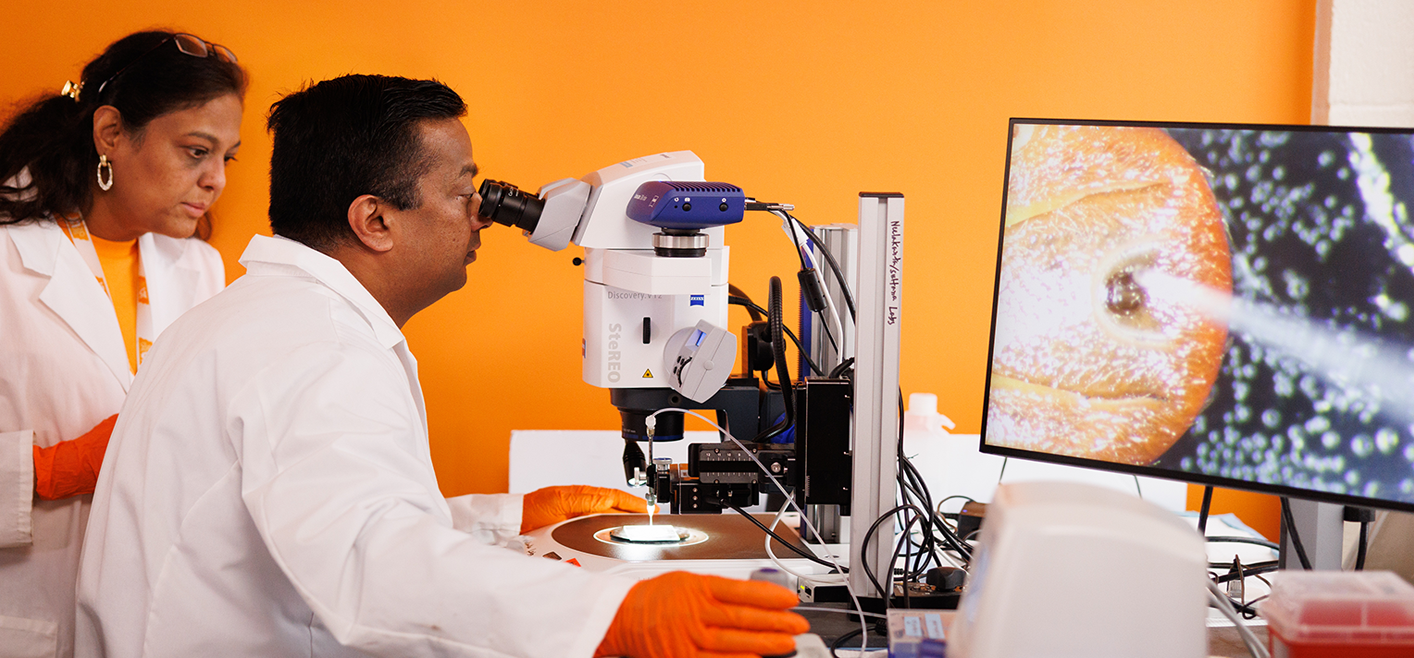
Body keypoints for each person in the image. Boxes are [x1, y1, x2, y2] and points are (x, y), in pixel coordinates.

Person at [75, 74, 808, 658]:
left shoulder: (258, 318)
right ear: (376, 220)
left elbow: (317, 521)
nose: (484, 213)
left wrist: (501, 519)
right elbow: (367, 560)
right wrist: (605, 617)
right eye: (464, 191)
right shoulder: (315, 347)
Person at [0, 30, 245, 658]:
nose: (215, 180)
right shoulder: (5, 260)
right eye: (196, 150)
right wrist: (47, 474)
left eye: (227, 157)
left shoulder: (200, 270)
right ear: (111, 133)